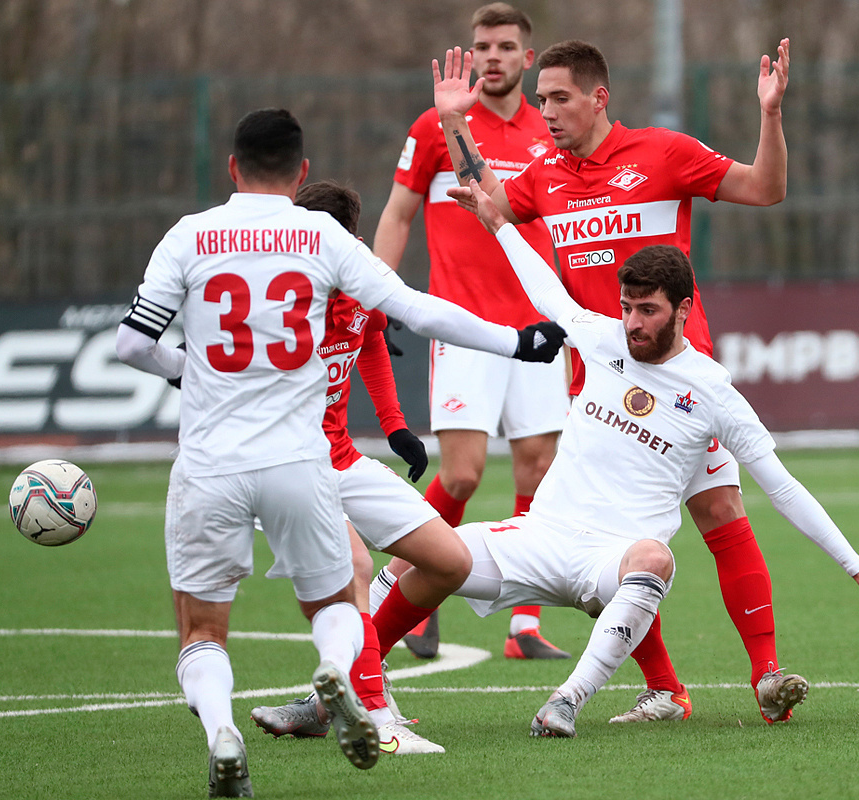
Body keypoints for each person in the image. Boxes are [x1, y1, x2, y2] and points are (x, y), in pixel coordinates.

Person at [367, 180, 859, 739]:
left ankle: (567, 701)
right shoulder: (602, 336)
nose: (633, 322)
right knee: (427, 554)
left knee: (655, 559)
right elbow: (547, 296)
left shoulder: (713, 391)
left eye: (648, 310)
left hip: (612, 561)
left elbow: (781, 486)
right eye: (628, 307)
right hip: (539, 539)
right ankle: (358, 677)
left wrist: (858, 567)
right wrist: (498, 221)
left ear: (684, 309)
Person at [114, 109, 566, 794]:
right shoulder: (320, 237)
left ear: (232, 168)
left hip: (226, 462)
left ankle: (232, 729)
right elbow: (418, 307)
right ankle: (374, 709)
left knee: (443, 559)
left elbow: (131, 344)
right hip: (298, 462)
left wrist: (188, 369)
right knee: (345, 582)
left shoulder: (190, 235)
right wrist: (518, 340)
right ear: (299, 173)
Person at [431, 38, 796, 723]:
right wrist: (457, 124)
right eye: (541, 101)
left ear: (600, 98)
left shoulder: (663, 152)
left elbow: (766, 189)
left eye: (559, 98)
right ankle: (665, 688)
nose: (546, 113)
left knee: (721, 512)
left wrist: (770, 115)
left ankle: (768, 676)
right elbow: (486, 201)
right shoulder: (545, 172)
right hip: (600, 388)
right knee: (610, 547)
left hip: (680, 388)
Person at [372, 2, 570, 661]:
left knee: (539, 470)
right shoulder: (436, 124)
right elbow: (399, 215)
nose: (491, 56)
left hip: (539, 329)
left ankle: (525, 625)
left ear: (527, 58)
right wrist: (374, 296)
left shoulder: (551, 129)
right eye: (482, 45)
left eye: (505, 47)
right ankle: (404, 584)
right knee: (460, 475)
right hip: (465, 326)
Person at [246, 180, 453, 755]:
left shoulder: (359, 284)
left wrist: (394, 425)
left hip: (340, 459)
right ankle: (377, 717)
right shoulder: (271, 302)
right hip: (282, 467)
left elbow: (369, 342)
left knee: (448, 560)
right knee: (355, 565)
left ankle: (329, 698)